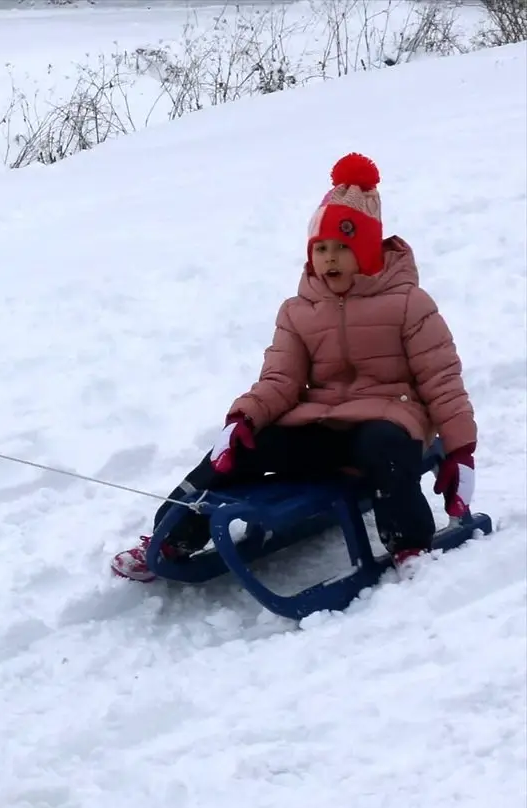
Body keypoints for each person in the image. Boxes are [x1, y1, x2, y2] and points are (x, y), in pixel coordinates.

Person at [113, 153, 478, 583]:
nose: (330, 259)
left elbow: (442, 380)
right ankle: (172, 534)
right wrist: (244, 417)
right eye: (321, 249)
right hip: (320, 426)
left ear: (365, 250)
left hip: (387, 419)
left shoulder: (409, 304)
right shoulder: (298, 311)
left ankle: (408, 541)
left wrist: (459, 451)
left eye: (343, 247)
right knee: (241, 447)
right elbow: (281, 379)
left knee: (384, 446)